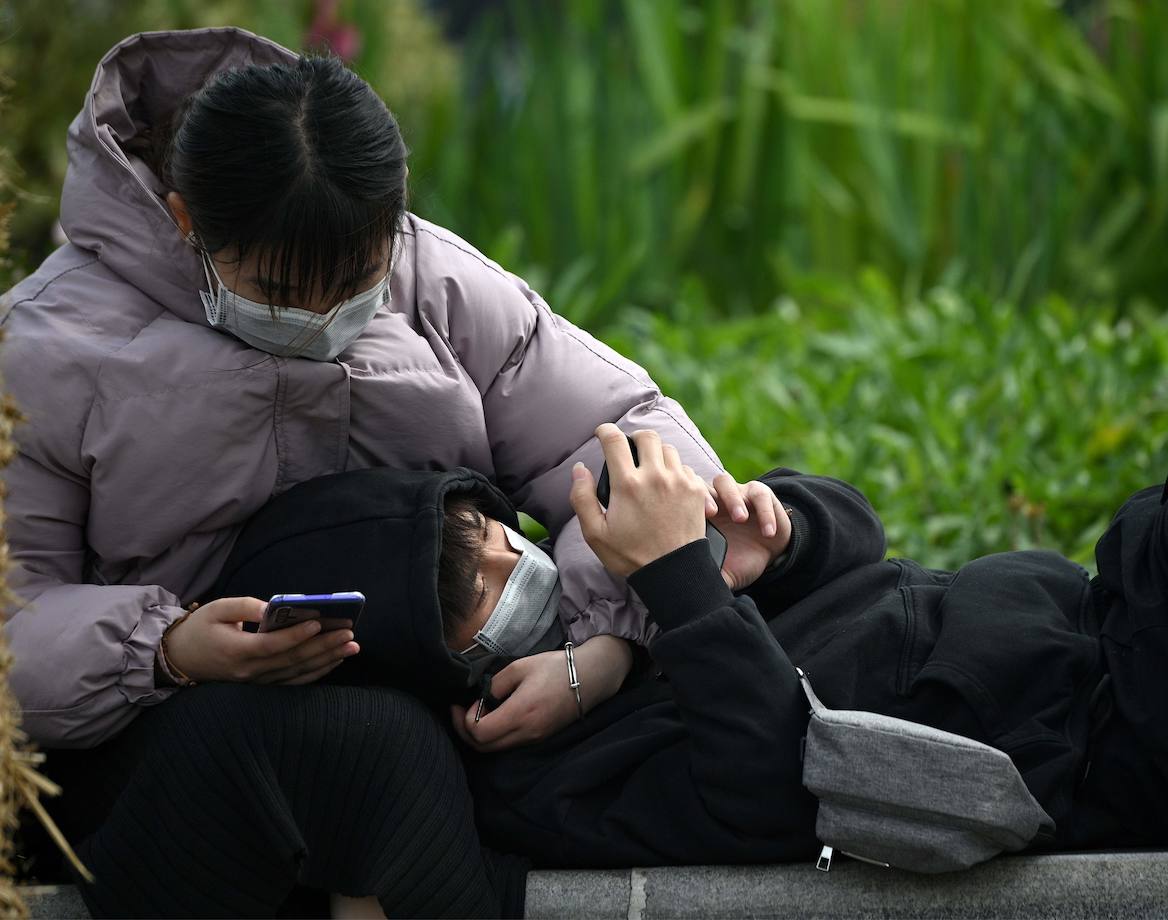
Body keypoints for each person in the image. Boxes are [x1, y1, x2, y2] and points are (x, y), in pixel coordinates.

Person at [0, 26, 780, 917]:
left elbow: (628, 441)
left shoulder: (432, 281)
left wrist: (597, 652)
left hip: (448, 686)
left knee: (790, 536)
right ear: (187, 222)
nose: (329, 314)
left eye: (358, 279)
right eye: (286, 292)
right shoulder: (48, 350)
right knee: (370, 747)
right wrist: (169, 650)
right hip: (162, 734)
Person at [219, 399, 1168, 876]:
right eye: (461, 589)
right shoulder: (540, 781)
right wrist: (682, 588)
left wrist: (779, 530)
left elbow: (864, 536)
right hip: (1123, 745)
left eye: (478, 529)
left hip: (1096, 607)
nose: (500, 561)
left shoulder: (603, 593)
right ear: (435, 663)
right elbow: (773, 791)